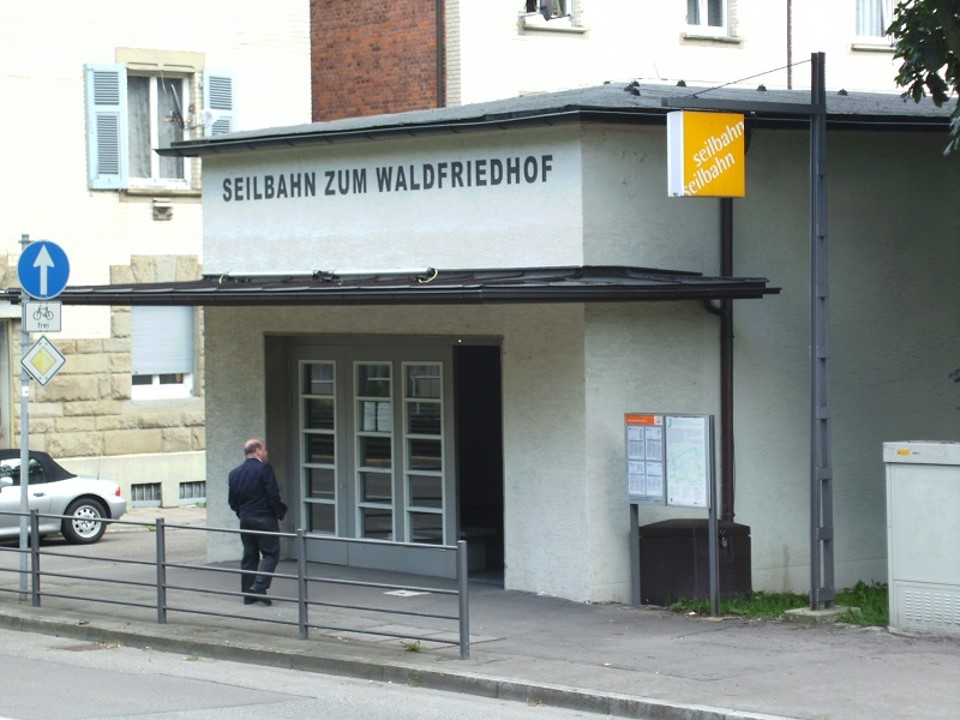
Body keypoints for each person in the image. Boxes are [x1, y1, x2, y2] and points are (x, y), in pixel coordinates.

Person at [227, 438, 287, 605]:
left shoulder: (234, 473)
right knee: (271, 554)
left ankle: (248, 596)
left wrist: (242, 514)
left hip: (245, 519)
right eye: (265, 449)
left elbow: (232, 502)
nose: (266, 453)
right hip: (264, 518)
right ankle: (259, 586)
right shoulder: (264, 469)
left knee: (249, 556)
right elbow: (273, 495)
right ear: (258, 451)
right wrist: (279, 511)